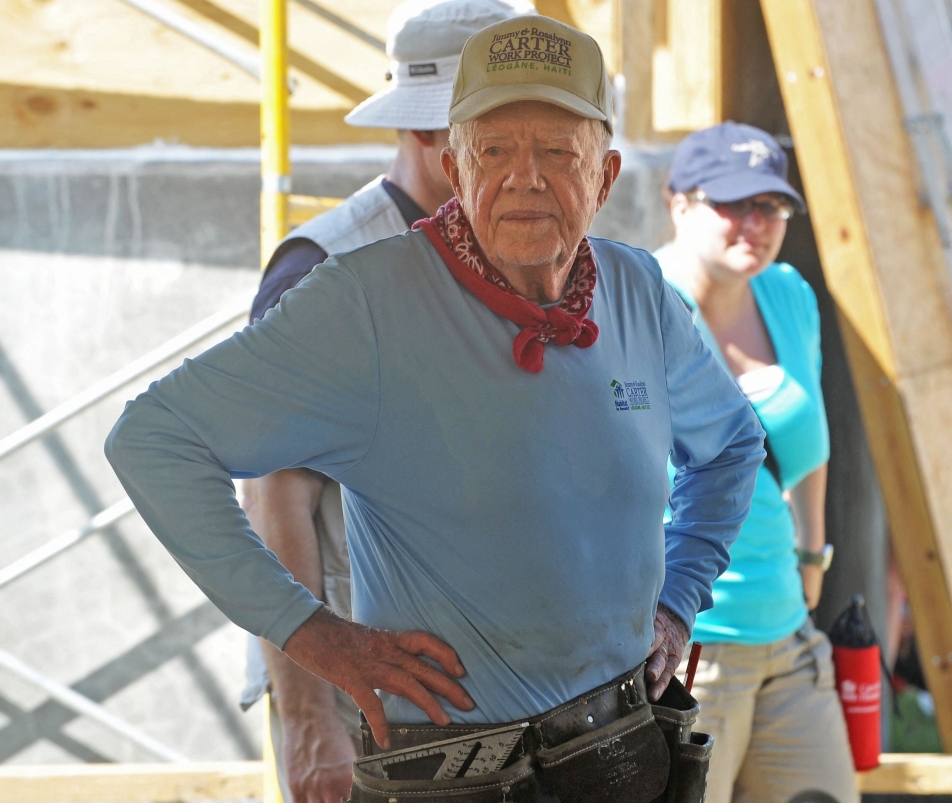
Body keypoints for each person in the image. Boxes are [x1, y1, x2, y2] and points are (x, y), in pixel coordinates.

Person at [106, 17, 765, 801]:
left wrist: (679, 597)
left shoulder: (636, 291)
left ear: (606, 174)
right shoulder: (364, 301)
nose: (525, 177)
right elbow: (154, 440)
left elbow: (730, 447)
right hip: (456, 772)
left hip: (620, 752)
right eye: (494, 151)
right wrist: (315, 638)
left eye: (558, 152)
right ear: (454, 165)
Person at [237, 2, 533, 801]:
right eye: (499, 129)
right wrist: (306, 714)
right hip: (369, 697)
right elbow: (272, 501)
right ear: (432, 134)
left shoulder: (510, 254)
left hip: (499, 680)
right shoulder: (329, 269)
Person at [655, 122, 859, 803]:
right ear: (677, 202)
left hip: (788, 639)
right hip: (683, 652)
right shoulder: (634, 304)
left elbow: (807, 442)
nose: (755, 222)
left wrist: (811, 558)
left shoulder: (788, 293)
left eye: (770, 205)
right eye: (733, 203)